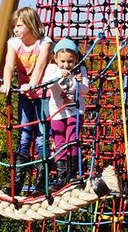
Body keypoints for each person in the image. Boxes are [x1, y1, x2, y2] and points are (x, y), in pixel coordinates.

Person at [0, 7, 53, 196]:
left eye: (19, 25)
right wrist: (7, 83)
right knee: (23, 136)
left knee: (41, 137)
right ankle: (17, 181)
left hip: (43, 95)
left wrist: (32, 84)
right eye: (13, 26)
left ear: (30, 25)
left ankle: (41, 182)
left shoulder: (44, 43)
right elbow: (8, 65)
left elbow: (39, 66)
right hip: (25, 95)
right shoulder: (13, 43)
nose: (15, 29)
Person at [42, 38, 89, 192]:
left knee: (72, 139)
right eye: (62, 61)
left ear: (75, 59)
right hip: (57, 110)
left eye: (70, 61)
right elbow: (47, 84)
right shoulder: (52, 69)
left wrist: (77, 82)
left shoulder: (80, 69)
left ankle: (73, 173)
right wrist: (59, 76)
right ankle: (62, 175)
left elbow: (85, 90)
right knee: (59, 141)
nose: (66, 65)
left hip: (75, 110)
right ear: (56, 58)